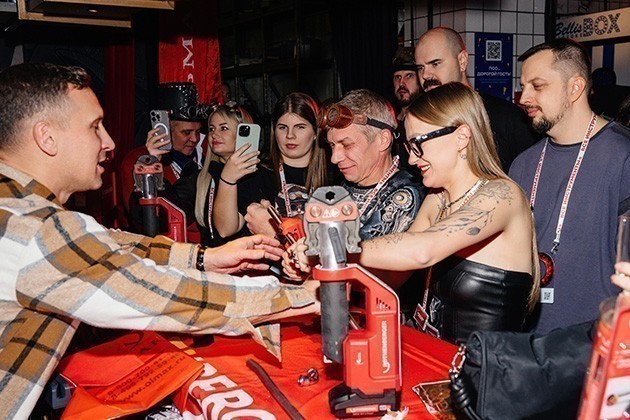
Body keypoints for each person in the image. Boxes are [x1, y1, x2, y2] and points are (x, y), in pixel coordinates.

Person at [0, 63, 319, 417]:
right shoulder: (32, 228)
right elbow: (156, 294)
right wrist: (303, 297)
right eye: (94, 127)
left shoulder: (16, 209)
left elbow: (109, 245)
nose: (109, 142)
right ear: (46, 137)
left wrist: (204, 259)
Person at [286, 83, 539, 345]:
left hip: (488, 366)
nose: (412, 159)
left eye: (419, 144)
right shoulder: (437, 199)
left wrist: (333, 247)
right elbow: (390, 279)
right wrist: (324, 275)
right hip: (436, 357)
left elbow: (422, 251)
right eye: (409, 147)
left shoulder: (502, 195)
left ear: (461, 137)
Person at [510, 38, 630, 334]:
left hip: (595, 341)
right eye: (524, 86)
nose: (524, 98)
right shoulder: (523, 163)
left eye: (537, 86)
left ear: (575, 87)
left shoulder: (622, 155)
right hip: (527, 340)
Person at [414, 26, 538, 171]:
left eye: (435, 64)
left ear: (462, 61)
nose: (425, 75)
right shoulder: (419, 121)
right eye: (420, 68)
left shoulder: (507, 117)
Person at [218, 92, 328, 239]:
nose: (290, 135)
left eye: (300, 127)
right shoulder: (256, 173)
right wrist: (227, 179)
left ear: (315, 132)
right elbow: (225, 230)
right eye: (282, 127)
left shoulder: (335, 175)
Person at [121, 82, 206, 240]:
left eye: (198, 132)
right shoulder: (137, 161)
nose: (195, 139)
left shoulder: (206, 152)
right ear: (164, 129)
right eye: (186, 132)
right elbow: (141, 221)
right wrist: (153, 163)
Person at [192, 103, 276, 246]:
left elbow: (226, 230)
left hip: (248, 258)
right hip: (210, 257)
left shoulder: (258, 176)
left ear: (244, 133)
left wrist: (227, 179)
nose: (214, 134)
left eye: (224, 128)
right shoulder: (202, 177)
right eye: (211, 129)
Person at [391, 45, 422, 176]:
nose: (401, 83)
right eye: (397, 77)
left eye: (409, 76)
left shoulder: (427, 121)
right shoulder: (389, 120)